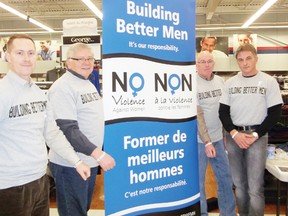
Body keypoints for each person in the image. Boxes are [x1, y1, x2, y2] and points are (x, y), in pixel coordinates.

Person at [0, 34, 90, 216]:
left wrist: (76, 161)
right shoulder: (3, 93)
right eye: (19, 53)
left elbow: (52, 133)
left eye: (31, 53)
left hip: (40, 179)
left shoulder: (38, 93)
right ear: (7, 57)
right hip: (10, 185)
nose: (26, 58)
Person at [48, 42, 116, 216]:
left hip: (89, 160)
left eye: (90, 58)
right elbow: (68, 130)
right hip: (71, 164)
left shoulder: (87, 82)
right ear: (68, 62)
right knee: (73, 211)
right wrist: (99, 154)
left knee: (82, 209)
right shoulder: (63, 87)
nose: (87, 62)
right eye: (80, 59)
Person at [219, 44, 283, 216]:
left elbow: (275, 113)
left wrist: (255, 134)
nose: (245, 63)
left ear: (256, 58)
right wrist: (234, 133)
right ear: (236, 62)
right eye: (240, 59)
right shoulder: (230, 83)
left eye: (248, 58)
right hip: (234, 137)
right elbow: (223, 112)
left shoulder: (269, 82)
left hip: (257, 137)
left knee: (255, 187)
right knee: (239, 185)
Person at [196, 51, 236, 216]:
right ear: (196, 64)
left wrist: (225, 135)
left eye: (210, 61)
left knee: (226, 178)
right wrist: (207, 142)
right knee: (198, 183)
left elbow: (225, 112)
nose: (207, 64)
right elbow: (197, 115)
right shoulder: (191, 82)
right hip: (199, 141)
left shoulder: (220, 81)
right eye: (203, 61)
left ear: (214, 63)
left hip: (219, 139)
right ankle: (201, 214)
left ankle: (228, 213)